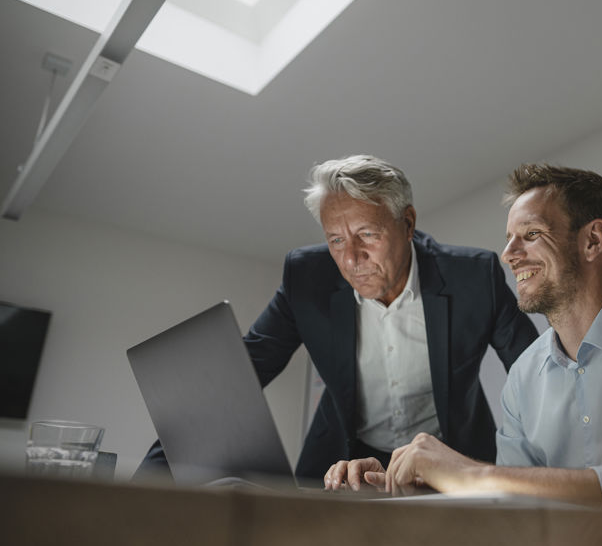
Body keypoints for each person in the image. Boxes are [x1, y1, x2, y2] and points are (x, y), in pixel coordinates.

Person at [330, 163, 602, 515]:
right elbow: (514, 510)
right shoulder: (522, 379)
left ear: (593, 240)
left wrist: (472, 474)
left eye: (530, 235)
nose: (509, 254)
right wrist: (409, 485)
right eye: (509, 238)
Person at [137, 155, 538, 488]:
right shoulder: (306, 277)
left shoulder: (474, 276)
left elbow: (534, 377)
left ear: (408, 223)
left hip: (449, 459)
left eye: (367, 234)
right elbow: (232, 382)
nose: (351, 259)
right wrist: (145, 485)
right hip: (339, 464)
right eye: (336, 240)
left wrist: (545, 477)